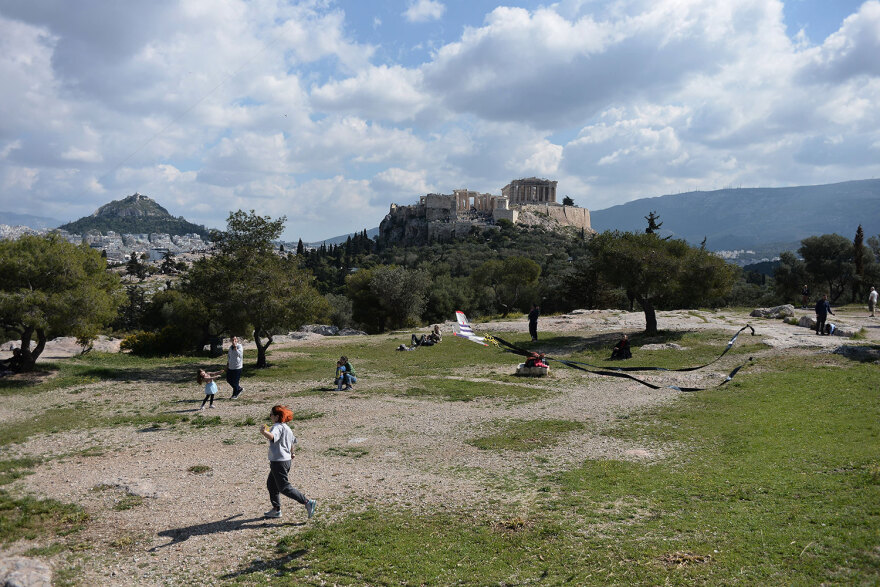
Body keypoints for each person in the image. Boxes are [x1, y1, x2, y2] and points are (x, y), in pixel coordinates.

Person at [259, 405, 316, 520]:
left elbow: (272, 437)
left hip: (279, 462)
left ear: (276, 417)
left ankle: (307, 502)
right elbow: (291, 442)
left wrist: (264, 432)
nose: (270, 416)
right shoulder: (287, 428)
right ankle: (276, 509)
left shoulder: (277, 427)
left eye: (271, 414)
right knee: (272, 484)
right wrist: (292, 453)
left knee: (283, 487)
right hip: (285, 460)